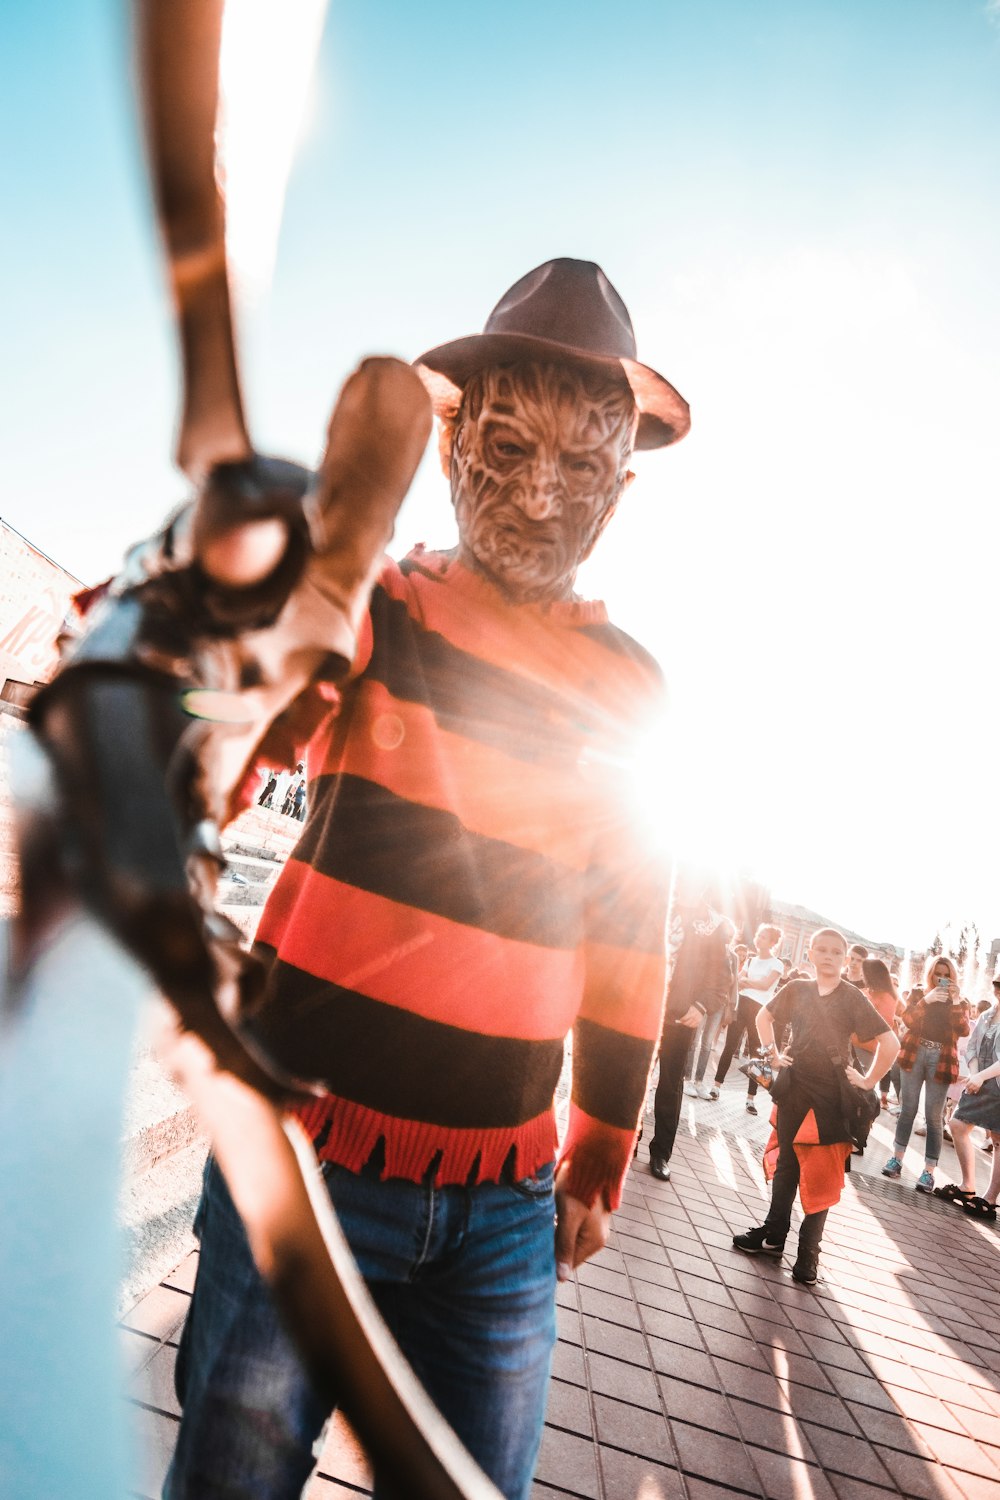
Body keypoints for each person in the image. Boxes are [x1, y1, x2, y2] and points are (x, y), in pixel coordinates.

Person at [163, 258, 690, 1500]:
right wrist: (319, 578)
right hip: (300, 1158)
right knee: (232, 1470)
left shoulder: (627, 683)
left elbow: (628, 929)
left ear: (619, 491)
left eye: (580, 468)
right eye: (507, 450)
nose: (542, 495)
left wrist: (601, 1143)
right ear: (451, 451)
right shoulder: (379, 612)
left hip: (502, 1190)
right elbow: (255, 723)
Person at [732, 928, 899, 1286]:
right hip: (794, 1089)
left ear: (844, 959)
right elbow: (764, 1016)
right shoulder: (797, 989)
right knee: (788, 1163)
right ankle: (774, 1237)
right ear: (810, 953)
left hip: (832, 1098)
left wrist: (868, 1081)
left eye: (835, 952)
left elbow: (891, 1043)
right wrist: (773, 1056)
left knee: (821, 1172)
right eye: (821, 950)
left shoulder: (852, 997)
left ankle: (809, 1252)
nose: (828, 956)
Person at [648, 885, 732, 1180]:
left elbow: (722, 978)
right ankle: (624, 1141)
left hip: (680, 1016)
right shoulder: (656, 900)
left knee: (670, 1085)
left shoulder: (713, 924)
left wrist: (701, 1005)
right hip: (641, 1006)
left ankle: (660, 1153)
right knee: (632, 1079)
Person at [882, 955, 969, 1193]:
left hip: (941, 1059)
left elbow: (963, 1029)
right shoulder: (921, 995)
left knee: (933, 1117)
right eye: (937, 973)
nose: (942, 978)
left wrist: (955, 1001)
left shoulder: (960, 1000)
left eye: (946, 974)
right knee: (907, 1109)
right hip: (915, 1052)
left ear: (952, 977)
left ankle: (928, 1172)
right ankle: (896, 1159)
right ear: (931, 974)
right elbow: (908, 1020)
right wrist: (926, 1001)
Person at [934, 990, 1000, 1219]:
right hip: (980, 1080)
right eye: (997, 983)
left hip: (996, 1083)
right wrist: (975, 1075)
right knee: (958, 1125)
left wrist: (981, 1076)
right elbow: (972, 1047)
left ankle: (990, 1199)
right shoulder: (987, 1016)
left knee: (998, 1138)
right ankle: (968, 1186)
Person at [711, 923, 784, 1113]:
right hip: (742, 1005)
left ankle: (750, 1100)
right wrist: (746, 982)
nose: (758, 939)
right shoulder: (751, 960)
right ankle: (716, 1087)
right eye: (758, 935)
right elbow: (737, 981)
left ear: (773, 942)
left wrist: (746, 982)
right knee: (729, 1047)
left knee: (757, 1055)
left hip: (760, 1011)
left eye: (764, 937)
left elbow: (765, 985)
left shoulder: (777, 964)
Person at [683, 915, 737, 1100]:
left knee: (707, 1045)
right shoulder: (709, 949)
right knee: (694, 1040)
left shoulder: (733, 956)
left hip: (720, 1003)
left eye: (730, 935)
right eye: (725, 934)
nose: (728, 938)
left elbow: (733, 982)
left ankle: (699, 1081)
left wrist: (732, 1005)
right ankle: (687, 1079)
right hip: (704, 1000)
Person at [856, 957, 901, 1107]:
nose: (862, 975)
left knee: (857, 1089)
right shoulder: (867, 991)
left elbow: (884, 1024)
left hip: (865, 1048)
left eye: (864, 972)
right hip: (853, 1044)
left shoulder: (887, 996)